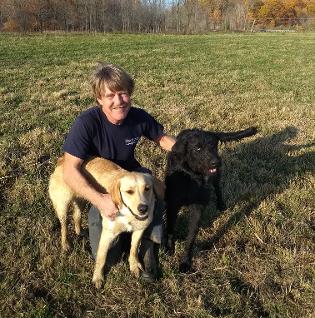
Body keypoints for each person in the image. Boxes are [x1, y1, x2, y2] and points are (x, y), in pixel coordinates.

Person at [62, 63, 176, 282]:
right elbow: (69, 171)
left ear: (130, 94)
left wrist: (187, 151)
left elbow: (162, 139)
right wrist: (100, 199)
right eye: (110, 96)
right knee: (109, 256)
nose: (118, 101)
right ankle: (123, 234)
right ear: (99, 99)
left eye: (123, 94)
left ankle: (147, 246)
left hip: (130, 175)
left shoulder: (138, 116)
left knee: (154, 195)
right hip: (101, 184)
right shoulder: (86, 123)